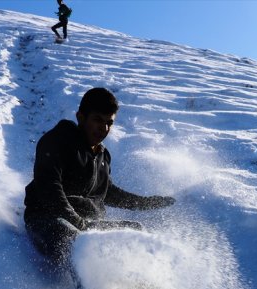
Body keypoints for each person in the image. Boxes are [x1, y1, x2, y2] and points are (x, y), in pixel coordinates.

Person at [24, 87, 176, 268]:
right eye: (97, 120)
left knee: (135, 230)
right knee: (70, 236)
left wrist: (146, 203)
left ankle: (144, 285)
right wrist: (79, 224)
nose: (104, 128)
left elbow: (107, 192)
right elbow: (50, 189)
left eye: (109, 123)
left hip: (86, 226)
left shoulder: (102, 156)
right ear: (81, 117)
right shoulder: (57, 141)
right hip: (48, 220)